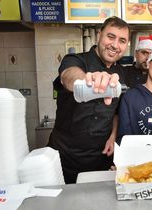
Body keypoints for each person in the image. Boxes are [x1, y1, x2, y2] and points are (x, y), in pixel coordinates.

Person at [48, 16, 130, 184]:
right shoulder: (75, 60)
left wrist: (113, 136)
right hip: (65, 156)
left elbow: (115, 112)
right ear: (99, 35)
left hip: (101, 157)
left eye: (122, 40)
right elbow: (68, 76)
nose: (115, 45)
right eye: (110, 36)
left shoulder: (120, 72)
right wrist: (88, 80)